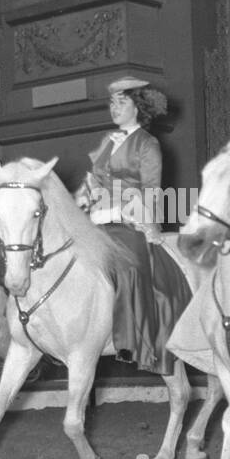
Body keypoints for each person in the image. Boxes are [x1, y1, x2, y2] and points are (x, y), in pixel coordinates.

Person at [73, 77, 191, 374]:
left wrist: (117, 212)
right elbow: (93, 181)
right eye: (112, 102)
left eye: (122, 102)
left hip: (132, 222)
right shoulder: (107, 142)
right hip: (99, 222)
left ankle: (129, 341)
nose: (115, 108)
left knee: (127, 265)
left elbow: (151, 189)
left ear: (137, 108)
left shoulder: (147, 144)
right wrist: (82, 205)